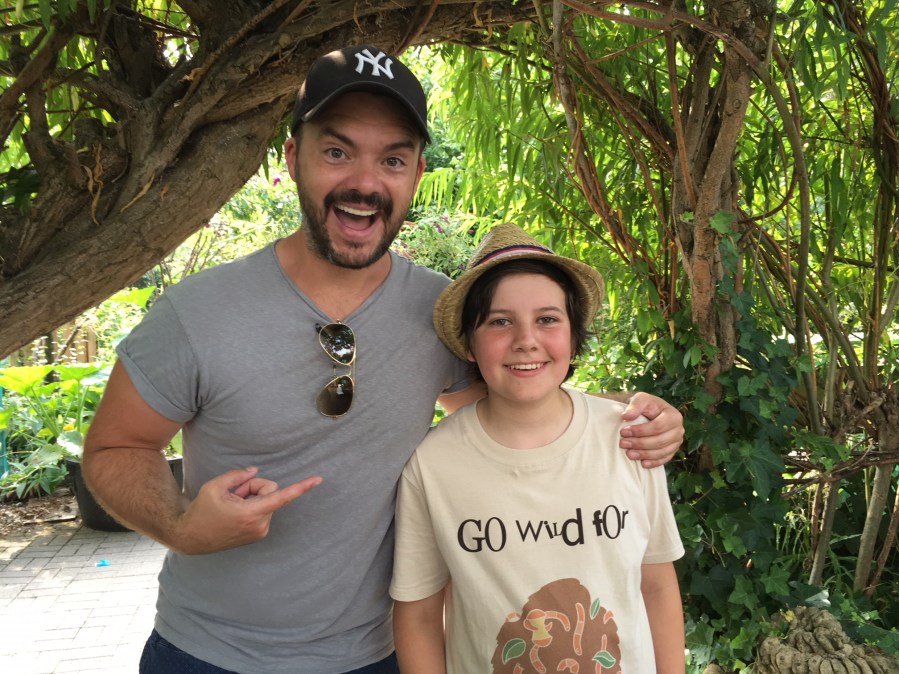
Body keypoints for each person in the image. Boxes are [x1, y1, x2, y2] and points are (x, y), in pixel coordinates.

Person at [82, 45, 684, 674]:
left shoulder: (438, 312)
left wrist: (629, 414)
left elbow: (513, 402)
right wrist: (182, 525)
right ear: (292, 157)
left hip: (379, 655)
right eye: (337, 152)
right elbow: (114, 449)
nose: (365, 183)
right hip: (210, 655)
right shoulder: (197, 312)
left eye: (392, 159)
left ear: (417, 173)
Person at [390, 222, 685, 673]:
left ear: (574, 335)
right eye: (500, 321)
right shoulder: (433, 465)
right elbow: (420, 614)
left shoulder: (628, 440)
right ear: (469, 344)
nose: (526, 340)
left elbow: (657, 586)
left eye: (547, 319)